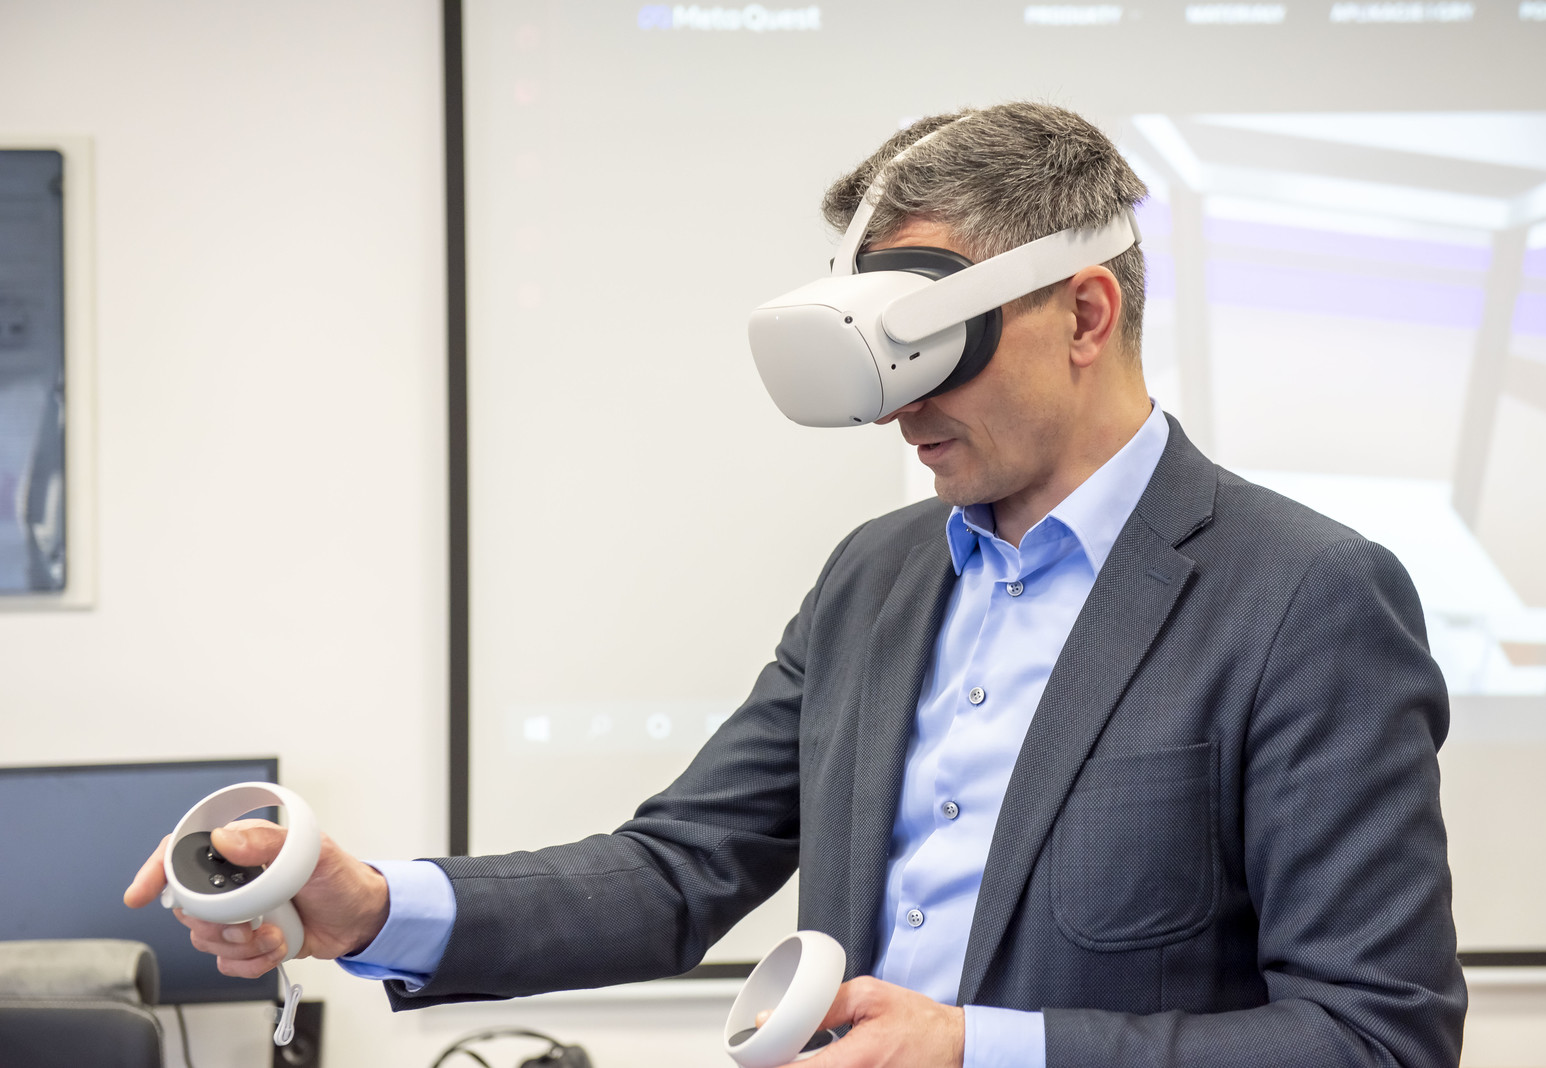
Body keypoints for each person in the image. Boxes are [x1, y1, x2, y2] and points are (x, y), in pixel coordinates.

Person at [127, 102, 1467, 1067]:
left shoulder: (1303, 596)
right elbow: (675, 871)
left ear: (1084, 315)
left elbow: (1376, 1034)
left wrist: (977, 1048)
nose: (899, 410)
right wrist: (373, 906)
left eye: (933, 350)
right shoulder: (877, 579)